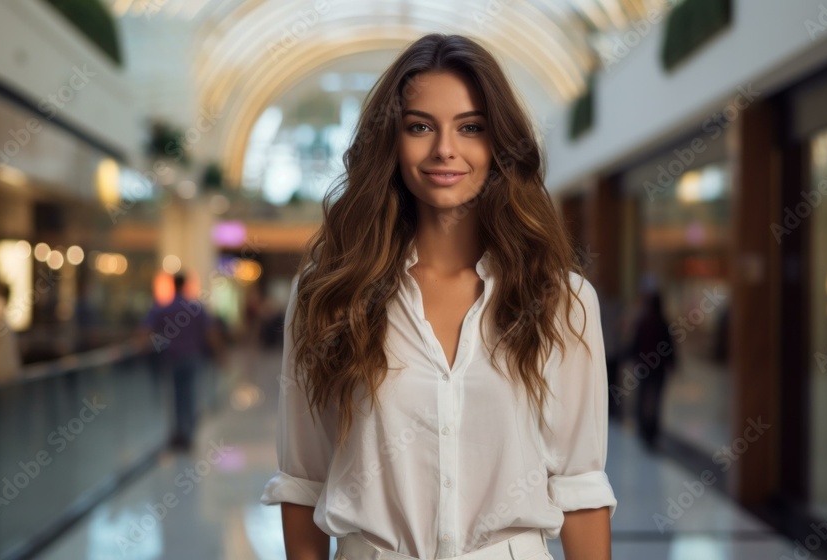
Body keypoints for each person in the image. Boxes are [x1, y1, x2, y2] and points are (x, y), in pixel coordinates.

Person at [260, 34, 616, 560]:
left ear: (499, 145)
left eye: (471, 127)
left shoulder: (563, 299)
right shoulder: (328, 293)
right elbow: (302, 481)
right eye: (420, 126)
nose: (444, 149)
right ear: (392, 141)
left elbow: (581, 489)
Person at [140, 273, 219, 452]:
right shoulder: (196, 308)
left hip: (172, 358)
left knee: (176, 396)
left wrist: (145, 347)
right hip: (193, 357)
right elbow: (210, 333)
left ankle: (179, 433)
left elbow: (145, 330)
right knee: (190, 395)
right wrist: (219, 355)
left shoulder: (163, 308)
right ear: (185, 285)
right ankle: (187, 432)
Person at [629, 288, 675, 449]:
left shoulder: (644, 322)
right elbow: (669, 348)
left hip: (645, 367)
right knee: (655, 400)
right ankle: (651, 430)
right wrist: (672, 365)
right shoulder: (662, 323)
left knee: (643, 397)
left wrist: (633, 359)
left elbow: (635, 344)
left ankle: (644, 428)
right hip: (658, 369)